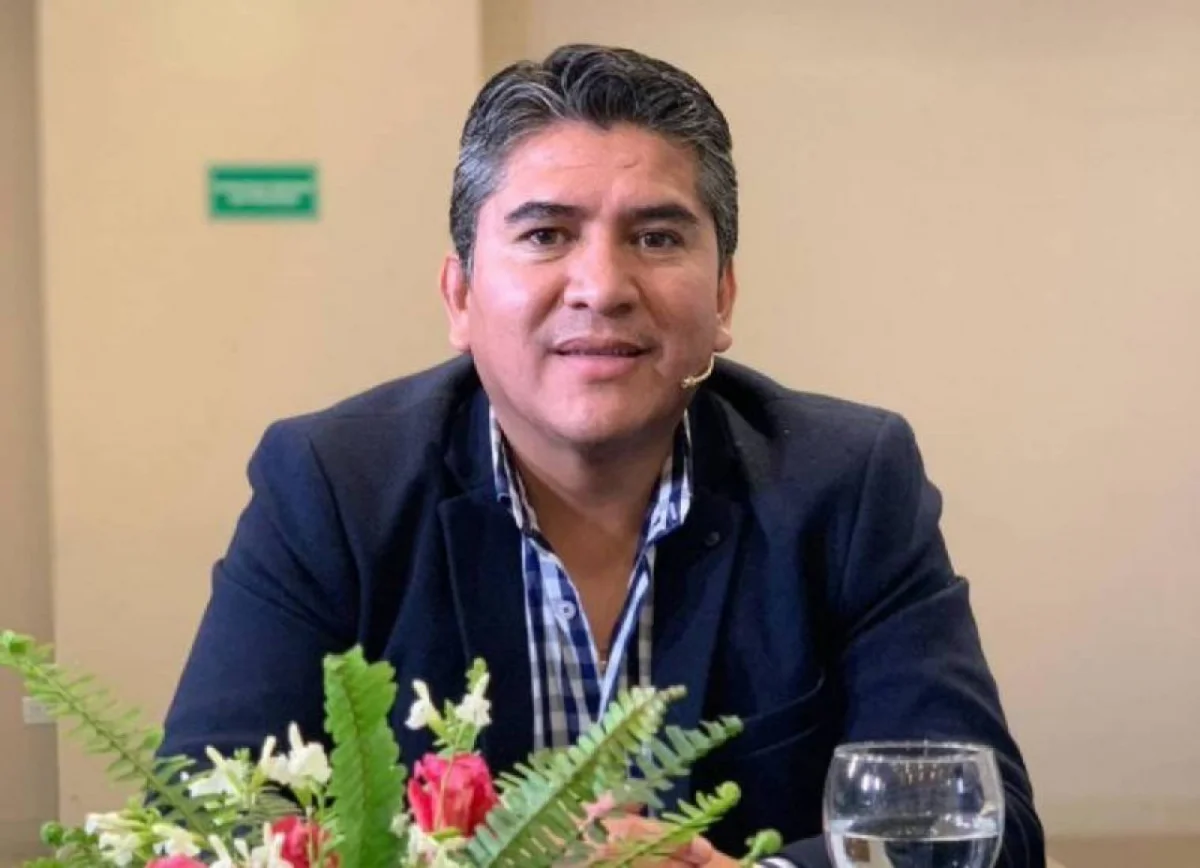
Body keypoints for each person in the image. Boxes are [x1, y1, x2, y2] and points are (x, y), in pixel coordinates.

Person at [160, 44, 1044, 867]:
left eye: (656, 238)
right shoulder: (331, 485)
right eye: (546, 235)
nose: (603, 288)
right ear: (460, 296)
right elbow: (204, 826)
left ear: (723, 297)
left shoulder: (848, 482)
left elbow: (979, 826)